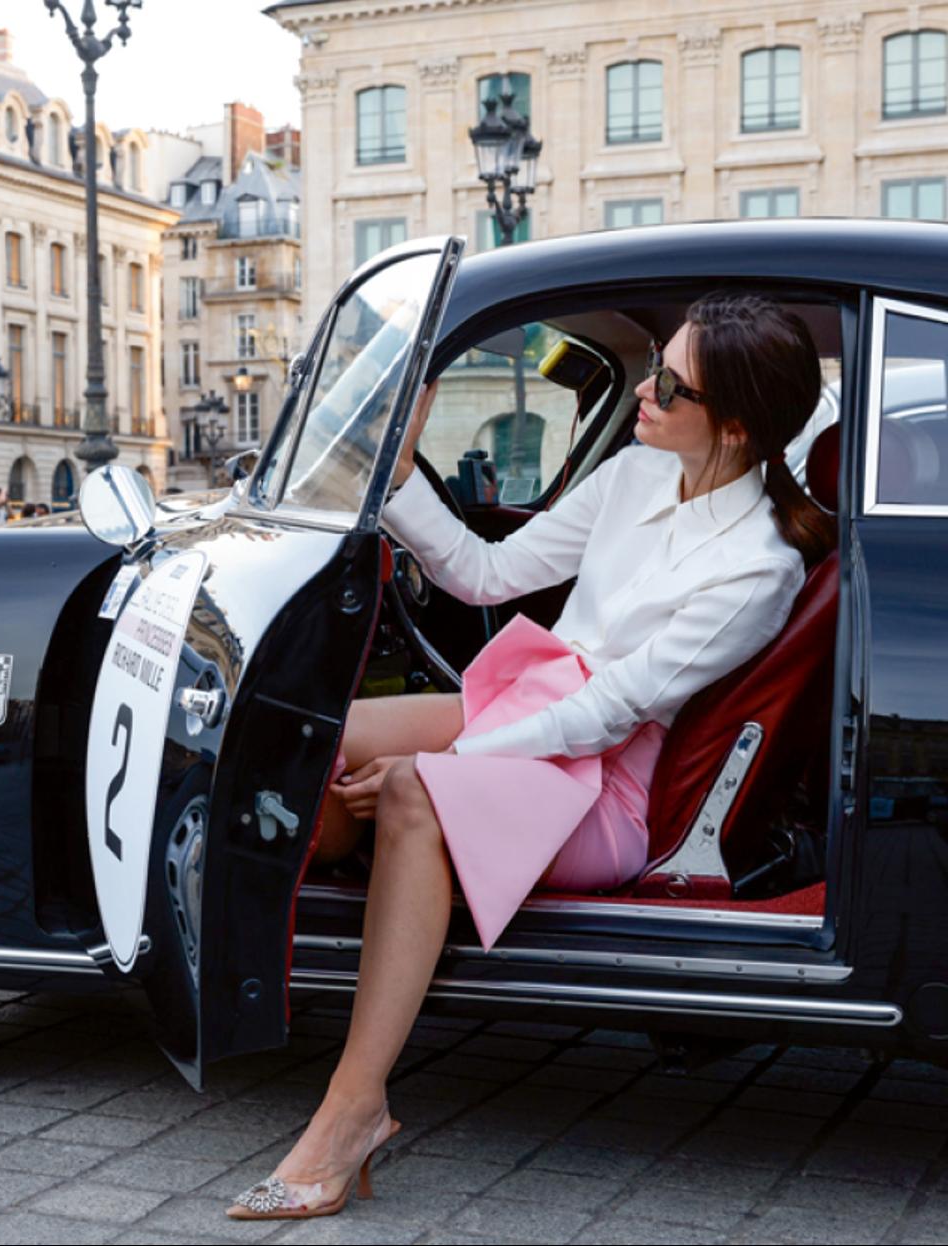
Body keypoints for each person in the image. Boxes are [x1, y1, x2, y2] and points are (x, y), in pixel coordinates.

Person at [226, 292, 836, 1220]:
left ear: (739, 426)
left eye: (670, 384)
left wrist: (455, 765)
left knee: (415, 798)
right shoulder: (635, 473)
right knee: (324, 741)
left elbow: (608, 712)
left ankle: (354, 1109)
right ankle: (316, 936)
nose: (646, 390)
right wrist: (391, 470)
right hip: (531, 708)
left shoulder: (760, 564)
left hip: (607, 786)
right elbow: (484, 573)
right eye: (652, 368)